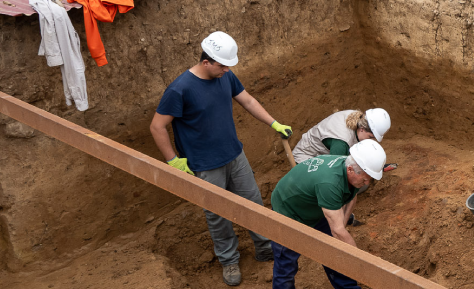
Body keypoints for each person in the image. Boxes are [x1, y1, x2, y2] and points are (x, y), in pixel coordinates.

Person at [150, 31, 291, 286]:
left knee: (253, 202)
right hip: (204, 165)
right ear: (206, 62)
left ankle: (264, 247)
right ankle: (229, 261)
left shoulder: (226, 76)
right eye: (223, 65)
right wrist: (172, 160)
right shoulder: (180, 89)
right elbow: (157, 126)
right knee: (218, 215)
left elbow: (247, 100)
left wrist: (274, 123)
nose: (227, 70)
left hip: (235, 155)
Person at [270, 140, 388, 289]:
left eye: (369, 178)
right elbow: (337, 231)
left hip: (315, 205)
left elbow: (351, 200)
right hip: (288, 210)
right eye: (365, 179)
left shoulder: (353, 171)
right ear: (350, 169)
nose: (366, 183)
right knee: (286, 262)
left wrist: (342, 225)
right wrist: (360, 261)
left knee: (335, 252)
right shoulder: (330, 184)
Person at [291, 108, 391, 163]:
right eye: (370, 137)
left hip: (324, 151)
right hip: (305, 157)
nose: (369, 141)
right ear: (362, 129)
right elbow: (333, 171)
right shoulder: (341, 143)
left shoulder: (356, 117)